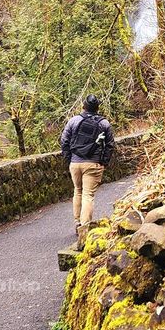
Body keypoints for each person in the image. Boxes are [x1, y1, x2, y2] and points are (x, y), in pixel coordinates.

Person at [60, 95, 115, 234]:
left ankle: (78, 223)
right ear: (97, 108)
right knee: (88, 195)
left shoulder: (74, 120)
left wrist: (70, 158)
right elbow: (110, 145)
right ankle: (85, 228)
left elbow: (64, 141)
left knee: (77, 191)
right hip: (93, 164)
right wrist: (104, 162)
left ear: (83, 106)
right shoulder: (104, 124)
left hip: (75, 163)